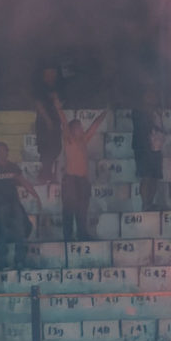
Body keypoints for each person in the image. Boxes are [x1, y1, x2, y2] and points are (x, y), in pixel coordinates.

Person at [56, 104, 107, 244]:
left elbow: (95, 125)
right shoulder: (69, 139)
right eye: (78, 126)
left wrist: (106, 111)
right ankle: (68, 236)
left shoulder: (84, 140)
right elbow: (64, 123)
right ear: (73, 130)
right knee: (69, 209)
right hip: (71, 180)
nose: (81, 128)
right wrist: (58, 106)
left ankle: (82, 234)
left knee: (82, 209)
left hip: (83, 180)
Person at [0, 142, 31, 271]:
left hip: (14, 204)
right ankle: (3, 262)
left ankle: (19, 261)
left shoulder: (13, 167)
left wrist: (36, 196)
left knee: (20, 231)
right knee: (1, 233)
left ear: (7, 152)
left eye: (3, 150)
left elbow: (23, 182)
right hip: (0, 206)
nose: (1, 153)